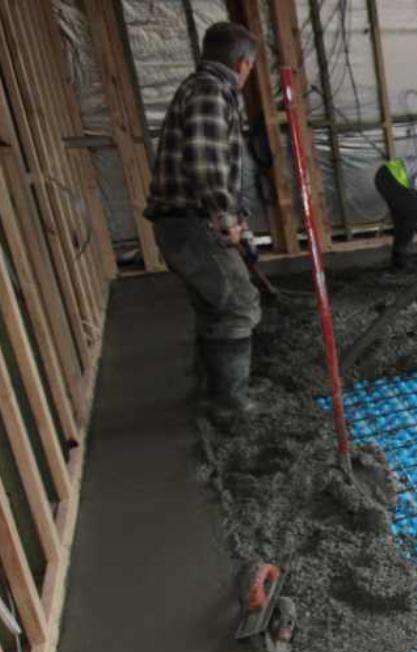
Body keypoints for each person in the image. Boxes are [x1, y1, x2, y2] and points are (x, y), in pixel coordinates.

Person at [144, 22, 261, 424]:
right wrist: (226, 219)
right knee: (239, 306)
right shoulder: (212, 92)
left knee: (215, 305)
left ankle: (217, 392)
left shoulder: (196, 88)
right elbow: (206, 160)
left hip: (182, 223)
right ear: (243, 64)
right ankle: (230, 406)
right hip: (193, 223)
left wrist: (238, 223)